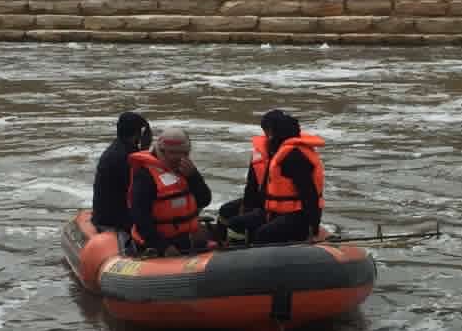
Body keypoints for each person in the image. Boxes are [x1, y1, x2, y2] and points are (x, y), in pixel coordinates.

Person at [222, 110, 324, 245]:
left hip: (299, 216)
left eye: (268, 132)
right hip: (275, 212)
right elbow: (255, 188)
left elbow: (309, 194)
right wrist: (248, 210)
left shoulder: (293, 156)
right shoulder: (276, 153)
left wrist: (313, 227)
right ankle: (236, 252)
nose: (266, 137)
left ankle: (255, 258)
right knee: (236, 223)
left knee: (263, 233)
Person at [128, 125, 213, 256]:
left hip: (187, 238)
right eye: (173, 153)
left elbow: (205, 200)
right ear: (161, 151)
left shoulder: (186, 170)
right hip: (158, 243)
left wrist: (194, 177)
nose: (179, 158)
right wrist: (163, 246)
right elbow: (141, 219)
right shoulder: (145, 176)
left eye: (184, 153)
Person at [91, 111, 152, 232]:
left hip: (105, 215)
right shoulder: (128, 157)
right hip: (116, 220)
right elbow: (140, 193)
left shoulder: (116, 149)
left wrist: (143, 151)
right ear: (138, 133)